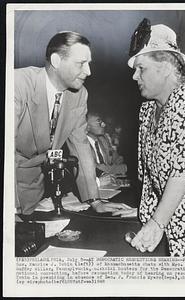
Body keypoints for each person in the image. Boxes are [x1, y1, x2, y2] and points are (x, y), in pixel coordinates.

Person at [113, 19, 185, 257]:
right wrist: (143, 214)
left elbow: (184, 171)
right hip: (170, 227)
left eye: (142, 68)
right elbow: (149, 178)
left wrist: (156, 223)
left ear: (167, 66)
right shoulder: (147, 110)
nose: (134, 77)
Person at [15, 31, 127, 215]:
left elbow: (81, 148)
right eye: (81, 64)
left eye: (89, 64)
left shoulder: (79, 95)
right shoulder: (18, 83)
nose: (88, 72)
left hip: (34, 188)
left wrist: (95, 200)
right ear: (56, 61)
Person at [86, 111, 127, 177]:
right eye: (98, 121)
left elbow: (116, 158)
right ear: (87, 127)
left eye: (102, 121)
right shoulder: (83, 145)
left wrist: (118, 161)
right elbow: (98, 168)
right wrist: (124, 168)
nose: (104, 124)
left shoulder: (103, 140)